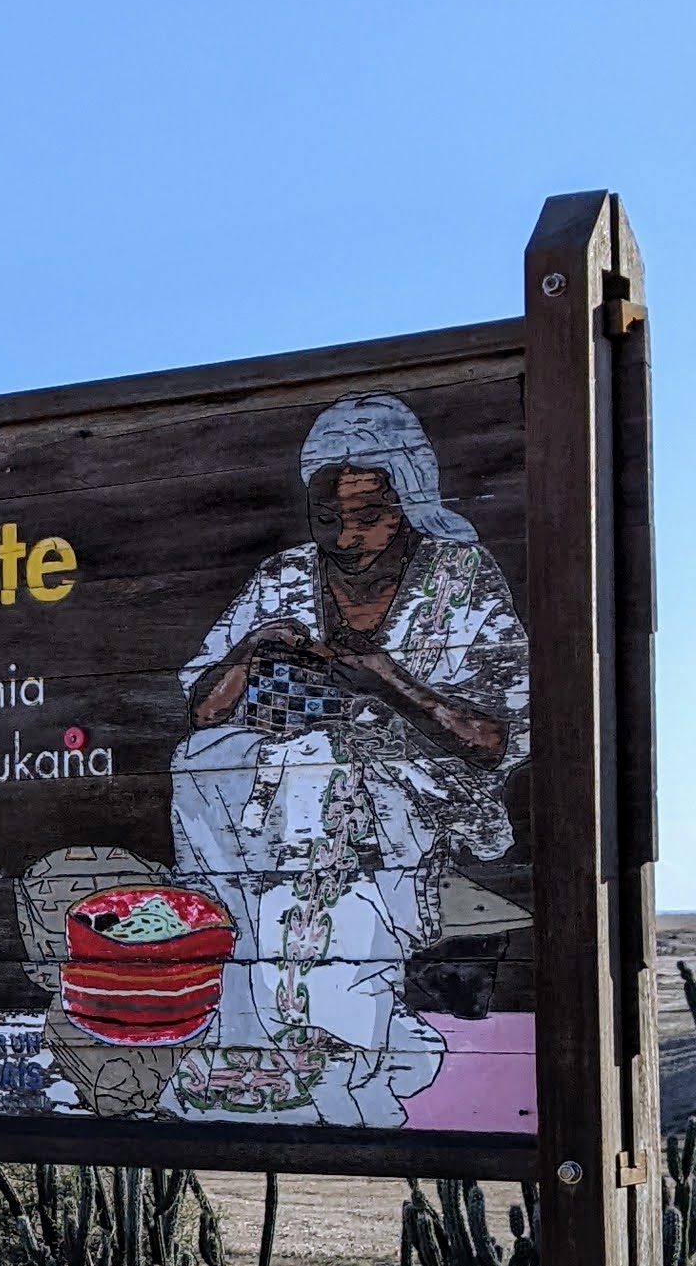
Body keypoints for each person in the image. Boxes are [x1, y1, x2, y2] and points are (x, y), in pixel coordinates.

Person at [165, 394, 529, 1125]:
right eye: (330, 517)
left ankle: (340, 1048)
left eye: (369, 515)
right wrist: (254, 646)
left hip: (419, 786)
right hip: (280, 777)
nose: (347, 534)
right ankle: (250, 1035)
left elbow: (494, 739)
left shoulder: (459, 578)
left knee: (319, 783)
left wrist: (388, 682)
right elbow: (204, 713)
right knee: (201, 766)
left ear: (411, 500)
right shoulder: (286, 576)